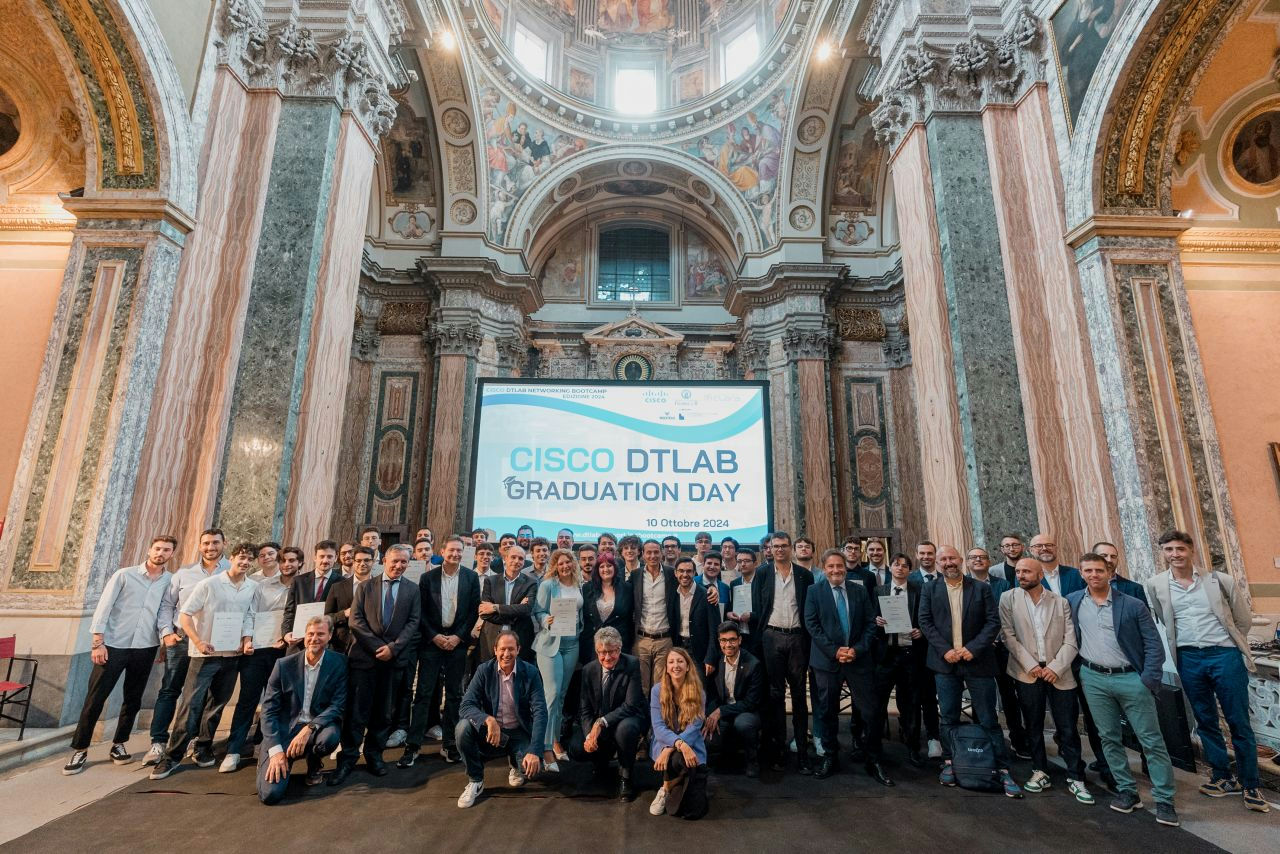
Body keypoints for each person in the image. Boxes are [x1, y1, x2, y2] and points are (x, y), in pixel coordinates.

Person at [1144, 531, 1267, 813]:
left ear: (1191, 550)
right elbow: (1165, 619)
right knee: (1205, 719)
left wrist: (1227, 645)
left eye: (1179, 549)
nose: (1175, 554)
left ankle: (1250, 783)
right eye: (1168, 550)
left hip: (1223, 654)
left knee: (1238, 720)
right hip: (1188, 656)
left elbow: (1242, 620)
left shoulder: (1218, 580)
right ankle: (1222, 777)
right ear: (1163, 553)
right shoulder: (1155, 585)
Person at [1069, 554, 1180, 826]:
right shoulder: (1072, 601)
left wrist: (1148, 679)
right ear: (1081, 573)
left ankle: (1165, 799)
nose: (1094, 575)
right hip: (1093, 677)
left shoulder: (1131, 604)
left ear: (1109, 572)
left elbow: (1153, 644)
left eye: (1099, 570)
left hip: (1131, 678)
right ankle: (1127, 791)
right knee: (1108, 737)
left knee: (1151, 740)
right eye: (1088, 570)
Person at [63, 536, 176, 775]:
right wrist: (97, 643)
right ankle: (80, 748)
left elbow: (165, 613)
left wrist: (164, 644)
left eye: (166, 550)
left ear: (171, 554)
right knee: (95, 697)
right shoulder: (124, 575)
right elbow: (104, 607)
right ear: (149, 549)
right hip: (114, 645)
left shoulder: (169, 580)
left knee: (133, 698)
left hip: (145, 646)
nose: (161, 553)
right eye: (157, 548)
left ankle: (119, 743)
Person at [918, 545, 1022, 797]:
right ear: (938, 564)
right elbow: (925, 621)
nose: (948, 562)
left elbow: (992, 622)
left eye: (952, 558)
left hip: (977, 662)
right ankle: (950, 762)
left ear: (961, 560)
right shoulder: (930, 589)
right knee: (949, 716)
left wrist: (972, 649)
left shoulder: (981, 588)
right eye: (943, 559)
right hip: (945, 663)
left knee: (987, 717)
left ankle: (1001, 768)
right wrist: (945, 650)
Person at [149, 542, 258, 780]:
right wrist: (198, 642)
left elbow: (249, 616)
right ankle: (172, 756)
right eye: (241, 557)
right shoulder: (209, 584)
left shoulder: (252, 587)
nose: (245, 562)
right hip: (204, 654)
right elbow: (184, 616)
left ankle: (202, 747)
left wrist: (247, 640)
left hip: (232, 655)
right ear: (232, 557)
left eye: (250, 559)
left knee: (217, 704)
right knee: (190, 705)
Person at [1000, 558, 1092, 804]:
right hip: (1026, 671)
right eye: (1018, 571)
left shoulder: (1060, 602)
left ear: (1040, 574)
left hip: (1058, 672)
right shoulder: (1008, 598)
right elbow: (1008, 636)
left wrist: (1056, 667)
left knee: (1067, 727)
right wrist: (1030, 665)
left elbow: (1071, 639)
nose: (1021, 575)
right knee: (1033, 725)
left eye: (1027, 571)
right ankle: (1040, 770)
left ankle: (1076, 776)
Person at [331, 543, 421, 785]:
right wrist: (376, 646)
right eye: (395, 561)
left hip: (393, 661)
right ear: (384, 560)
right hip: (364, 659)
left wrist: (392, 648)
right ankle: (347, 759)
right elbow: (356, 622)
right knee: (356, 713)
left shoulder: (413, 590)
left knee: (383, 714)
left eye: (404, 562)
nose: (399, 565)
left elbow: (413, 623)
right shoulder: (366, 586)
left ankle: (375, 756)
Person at [806, 548, 890, 784]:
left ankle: (873, 758)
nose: (836, 570)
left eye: (839, 566)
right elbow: (812, 625)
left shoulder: (859, 590)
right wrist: (835, 651)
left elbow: (870, 624)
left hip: (858, 660)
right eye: (831, 566)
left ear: (845, 567)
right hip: (827, 661)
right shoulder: (814, 591)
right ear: (824, 569)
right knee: (827, 711)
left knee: (871, 711)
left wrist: (856, 650)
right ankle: (830, 756)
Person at [145, 528, 228, 766]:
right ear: (199, 546)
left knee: (203, 693)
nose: (210, 547)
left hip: (211, 643)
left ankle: (194, 740)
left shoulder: (232, 571)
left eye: (215, 543)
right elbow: (167, 605)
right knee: (170, 689)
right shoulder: (184, 573)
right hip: (181, 640)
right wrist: (166, 633)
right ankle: (159, 741)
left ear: (224, 543)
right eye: (206, 543)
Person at [401, 536, 480, 768]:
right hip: (432, 642)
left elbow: (473, 611)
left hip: (457, 642)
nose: (455, 554)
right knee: (424, 694)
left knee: (455, 695)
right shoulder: (427, 578)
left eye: (459, 551)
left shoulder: (471, 577)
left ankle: (450, 744)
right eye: (451, 550)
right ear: (442, 551)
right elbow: (421, 612)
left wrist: (458, 637)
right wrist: (434, 636)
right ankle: (413, 746)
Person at [222, 541, 296, 772]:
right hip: (257, 650)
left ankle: (265, 745)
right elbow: (251, 614)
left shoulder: (302, 585)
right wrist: (247, 639)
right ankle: (233, 749)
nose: (284, 563)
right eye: (281, 560)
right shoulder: (260, 585)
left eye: (288, 559)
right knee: (248, 699)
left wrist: (285, 638)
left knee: (278, 701)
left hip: (285, 650)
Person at [256, 616, 347, 804]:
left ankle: (314, 763)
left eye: (320, 634)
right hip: (284, 731)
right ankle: (273, 758)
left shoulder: (339, 663)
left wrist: (310, 728)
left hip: (316, 729)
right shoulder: (283, 665)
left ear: (330, 636)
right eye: (310, 634)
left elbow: (337, 705)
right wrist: (275, 751)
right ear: (304, 636)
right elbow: (268, 711)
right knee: (270, 795)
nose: (314, 638)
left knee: (328, 738)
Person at [455, 630, 546, 808]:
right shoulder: (484, 670)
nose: (506, 654)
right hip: (493, 732)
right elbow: (466, 705)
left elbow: (540, 712)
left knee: (533, 771)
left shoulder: (531, 672)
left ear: (518, 650)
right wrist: (488, 720)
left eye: (511, 649)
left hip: (518, 732)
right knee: (462, 728)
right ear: (495, 650)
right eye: (502, 649)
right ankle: (476, 780)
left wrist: (535, 750)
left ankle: (515, 764)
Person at [757, 531, 815, 773]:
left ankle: (802, 751)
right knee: (775, 696)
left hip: (797, 638)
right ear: (769, 549)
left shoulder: (804, 575)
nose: (779, 550)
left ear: (791, 548)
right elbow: (757, 605)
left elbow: (809, 609)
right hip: (771, 636)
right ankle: (778, 749)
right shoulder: (762, 573)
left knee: (800, 697)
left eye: (783, 546)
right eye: (775, 546)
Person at [571, 626, 645, 799]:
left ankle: (626, 775)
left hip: (626, 718)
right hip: (600, 721)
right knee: (576, 747)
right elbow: (585, 709)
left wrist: (601, 722)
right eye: (602, 652)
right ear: (597, 651)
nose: (607, 657)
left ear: (619, 649)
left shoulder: (632, 664)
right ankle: (601, 761)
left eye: (611, 651)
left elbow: (631, 705)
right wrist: (590, 735)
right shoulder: (589, 670)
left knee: (625, 730)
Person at [969, 546, 1025, 759]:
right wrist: (980, 641)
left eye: (982, 557)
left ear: (989, 561)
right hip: (976, 649)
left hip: (1001, 646)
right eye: (973, 558)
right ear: (967, 562)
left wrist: (995, 637)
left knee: (1009, 694)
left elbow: (1009, 613)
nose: (978, 561)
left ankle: (1018, 738)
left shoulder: (1001, 584)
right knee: (980, 696)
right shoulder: (963, 584)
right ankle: (981, 739)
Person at [533, 547, 583, 770]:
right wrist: (547, 621)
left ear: (573, 563)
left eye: (568, 562)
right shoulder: (547, 585)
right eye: (560, 563)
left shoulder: (579, 584)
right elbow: (538, 611)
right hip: (551, 644)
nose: (565, 566)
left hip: (572, 644)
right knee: (551, 694)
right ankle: (544, 748)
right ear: (555, 566)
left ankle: (555, 741)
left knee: (561, 695)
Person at [874, 551, 926, 766]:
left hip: (910, 654)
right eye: (896, 564)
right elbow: (867, 617)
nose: (900, 568)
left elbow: (926, 617)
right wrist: (875, 621)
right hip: (885, 655)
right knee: (879, 703)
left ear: (909, 570)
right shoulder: (879, 591)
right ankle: (876, 748)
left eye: (905, 565)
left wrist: (920, 631)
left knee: (911, 703)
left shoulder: (919, 591)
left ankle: (913, 747)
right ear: (890, 567)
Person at [649, 647, 709, 818]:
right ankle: (674, 788)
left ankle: (665, 788)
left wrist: (673, 747)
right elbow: (658, 727)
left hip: (691, 744)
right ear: (666, 667)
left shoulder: (699, 692)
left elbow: (695, 727)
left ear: (688, 666)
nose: (676, 665)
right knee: (678, 758)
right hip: (665, 742)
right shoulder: (656, 691)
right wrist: (677, 745)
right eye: (671, 662)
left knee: (694, 810)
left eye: (680, 661)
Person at [703, 621, 764, 777]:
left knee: (743, 724)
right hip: (724, 712)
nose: (727, 644)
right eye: (723, 640)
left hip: (745, 712)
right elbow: (711, 694)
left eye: (732, 640)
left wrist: (720, 711)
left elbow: (751, 703)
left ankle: (752, 760)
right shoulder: (715, 661)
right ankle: (726, 754)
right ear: (719, 641)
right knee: (709, 740)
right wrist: (711, 714)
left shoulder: (753, 664)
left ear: (739, 640)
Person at [632, 539, 679, 694]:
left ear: (661, 553)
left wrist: (712, 589)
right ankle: (642, 718)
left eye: (656, 552)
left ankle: (657, 718)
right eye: (649, 552)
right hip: (641, 640)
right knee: (641, 686)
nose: (653, 556)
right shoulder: (635, 575)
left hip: (664, 639)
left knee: (660, 687)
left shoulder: (672, 574)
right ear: (643, 555)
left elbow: (692, 584)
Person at [479, 544, 538, 661]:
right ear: (505, 558)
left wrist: (495, 608)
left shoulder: (531, 583)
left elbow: (526, 610)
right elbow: (485, 613)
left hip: (521, 638)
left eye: (521, 558)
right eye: (513, 557)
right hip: (492, 638)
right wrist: (515, 611)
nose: (517, 561)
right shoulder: (490, 581)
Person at [282, 541, 343, 648]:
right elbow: (289, 611)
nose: (325, 560)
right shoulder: (298, 581)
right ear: (315, 557)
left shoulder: (343, 583)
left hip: (328, 643)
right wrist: (286, 633)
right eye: (322, 556)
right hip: (298, 642)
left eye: (329, 556)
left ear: (336, 558)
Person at [324, 545, 374, 654]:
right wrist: (344, 614)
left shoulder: (380, 587)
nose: (362, 563)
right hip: (341, 646)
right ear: (353, 562)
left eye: (367, 560)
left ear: (373, 562)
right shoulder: (337, 587)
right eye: (358, 560)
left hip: (371, 646)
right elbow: (326, 617)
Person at [583, 550, 634, 653]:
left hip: (619, 644)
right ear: (597, 570)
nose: (606, 569)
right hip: (594, 645)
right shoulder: (587, 588)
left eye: (609, 565)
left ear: (615, 568)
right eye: (602, 567)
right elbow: (586, 619)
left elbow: (630, 619)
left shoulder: (627, 588)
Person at [673, 557, 716, 673]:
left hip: (700, 651)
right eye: (681, 571)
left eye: (689, 571)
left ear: (694, 573)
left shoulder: (708, 595)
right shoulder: (672, 595)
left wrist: (710, 658)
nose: (685, 574)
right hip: (678, 647)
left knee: (699, 688)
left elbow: (714, 629)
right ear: (675, 573)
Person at [727, 548, 762, 658]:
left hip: (758, 635)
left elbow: (768, 609)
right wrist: (729, 614)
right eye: (739, 561)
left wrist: (752, 616)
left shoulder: (762, 582)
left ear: (755, 563)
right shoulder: (734, 583)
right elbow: (731, 605)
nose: (742, 564)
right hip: (740, 633)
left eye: (746, 561)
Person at [1093, 541, 1148, 606]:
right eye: (1104, 556)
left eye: (1113, 556)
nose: (1109, 560)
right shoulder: (1082, 587)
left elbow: (1144, 615)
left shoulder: (1135, 588)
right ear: (1093, 558)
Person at [696, 551, 730, 623]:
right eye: (709, 563)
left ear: (720, 567)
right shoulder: (693, 583)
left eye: (716, 564)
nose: (712, 567)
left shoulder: (726, 588)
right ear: (703, 565)